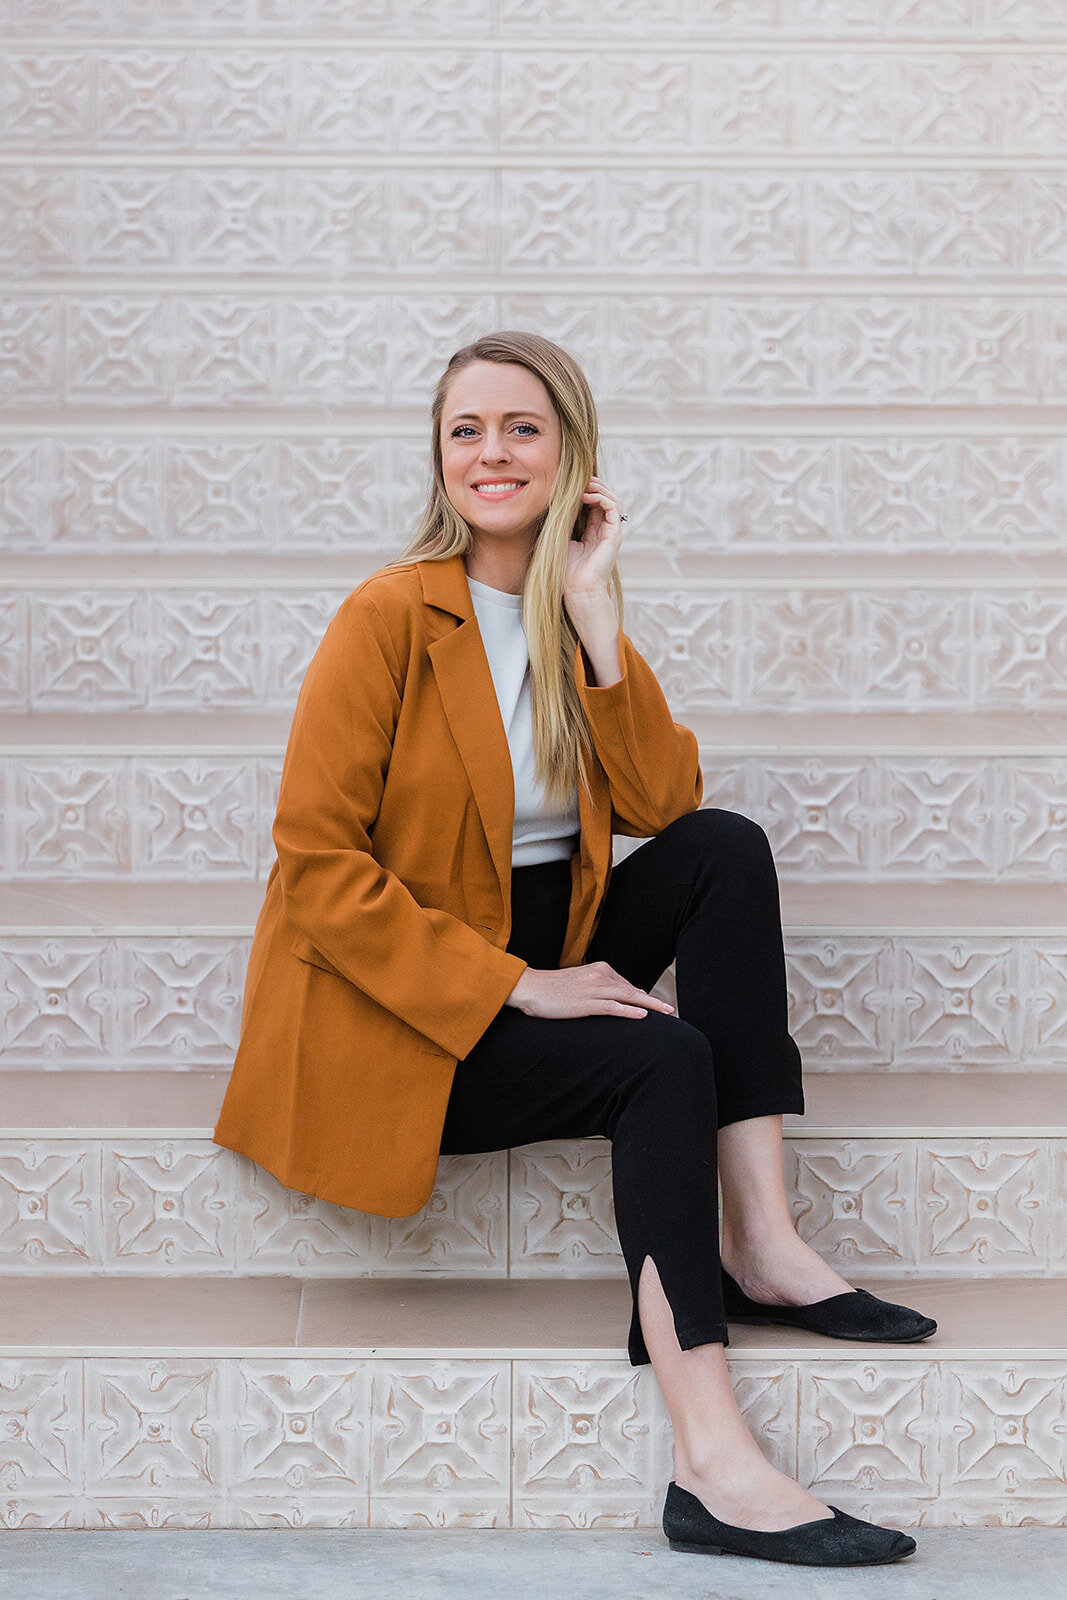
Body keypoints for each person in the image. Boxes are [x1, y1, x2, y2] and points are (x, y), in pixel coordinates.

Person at [214, 329, 935, 1567]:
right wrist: (515, 983)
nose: (492, 452)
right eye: (465, 430)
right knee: (663, 1060)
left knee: (722, 843)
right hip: (413, 1017)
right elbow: (317, 867)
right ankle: (711, 1463)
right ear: (438, 459)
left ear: (570, 453)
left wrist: (596, 615)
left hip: (534, 948)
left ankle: (759, 1241)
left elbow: (661, 793)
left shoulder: (564, 610)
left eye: (522, 427)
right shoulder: (387, 617)